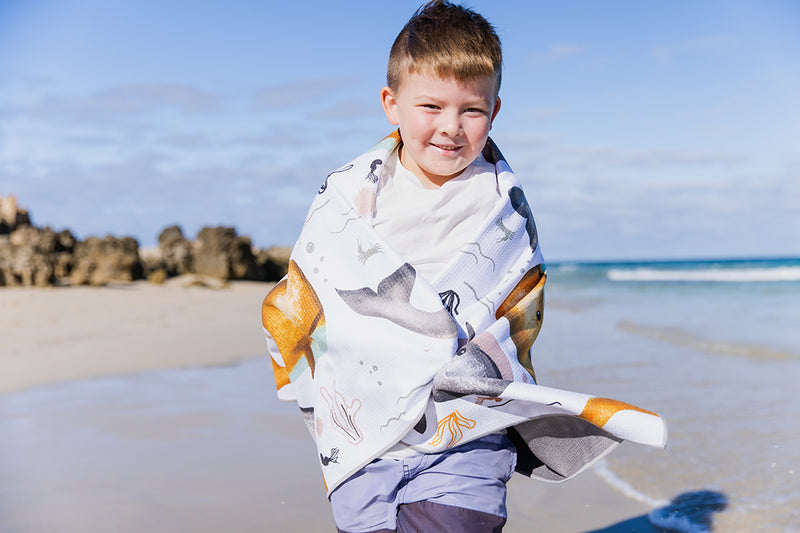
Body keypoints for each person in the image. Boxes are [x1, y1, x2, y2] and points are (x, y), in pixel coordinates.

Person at [262, 1, 666, 532]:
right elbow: (308, 290)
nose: (451, 127)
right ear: (392, 104)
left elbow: (518, 301)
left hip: (468, 420)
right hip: (366, 424)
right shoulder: (347, 198)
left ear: (494, 111)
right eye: (431, 106)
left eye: (471, 110)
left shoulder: (502, 207)